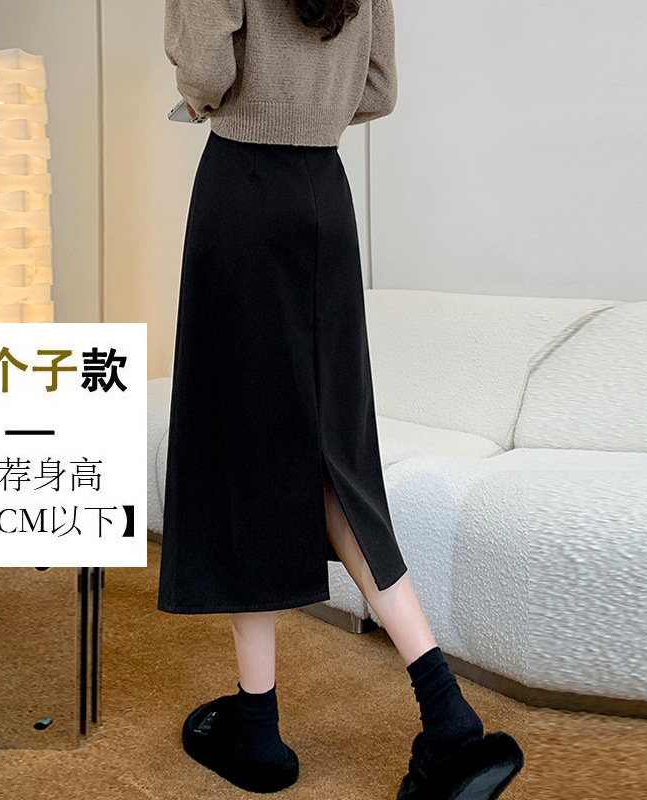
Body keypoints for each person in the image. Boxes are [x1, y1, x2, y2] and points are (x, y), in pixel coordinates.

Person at [158, 1, 525, 797]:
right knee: (335, 456)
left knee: (243, 451)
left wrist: (207, 96)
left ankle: (259, 727)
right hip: (324, 198)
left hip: (242, 194)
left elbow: (208, 70)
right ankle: (444, 711)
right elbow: (380, 88)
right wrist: (313, 103)